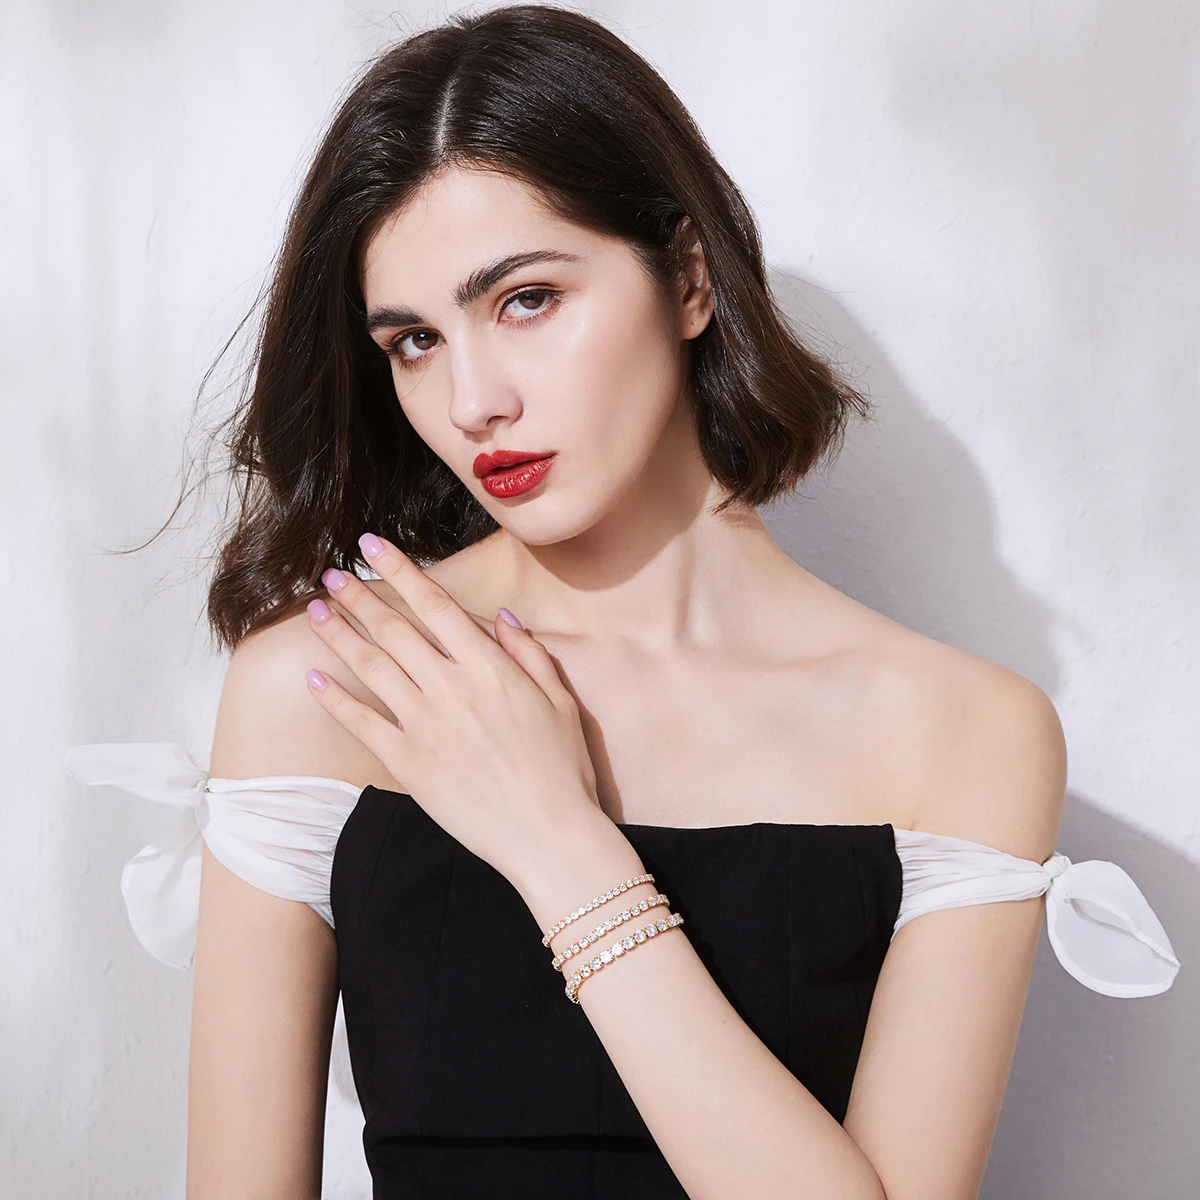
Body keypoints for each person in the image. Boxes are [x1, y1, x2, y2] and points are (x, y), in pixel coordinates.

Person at [65, 5, 1180, 1198]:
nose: (474, 400)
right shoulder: (334, 687)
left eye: (526, 299)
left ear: (688, 279)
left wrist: (557, 843)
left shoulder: (959, 735)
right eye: (415, 341)